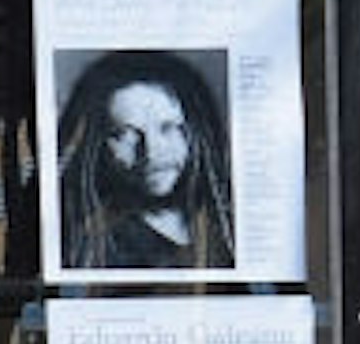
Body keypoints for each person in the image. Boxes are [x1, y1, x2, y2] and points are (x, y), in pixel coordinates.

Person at [55, 48, 235, 271]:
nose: (151, 152)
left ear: (196, 131)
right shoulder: (93, 247)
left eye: (168, 128)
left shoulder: (225, 227)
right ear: (96, 146)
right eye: (125, 134)